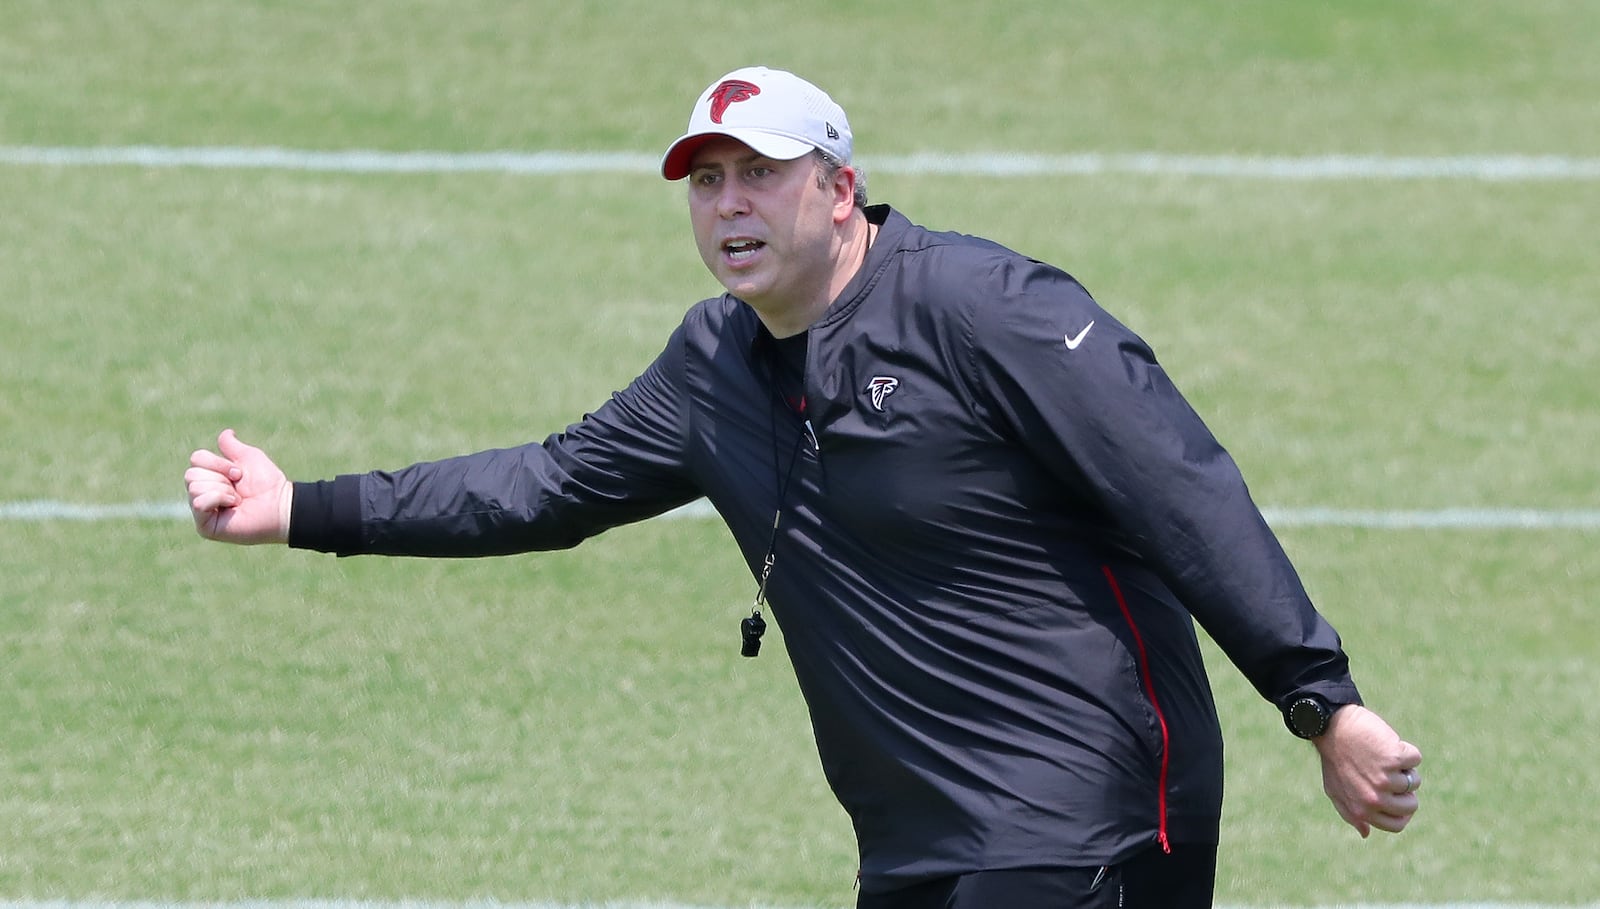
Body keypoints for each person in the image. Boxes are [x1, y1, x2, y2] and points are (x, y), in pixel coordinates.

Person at [185, 65, 1423, 908]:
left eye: (757, 176)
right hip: (913, 835)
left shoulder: (985, 312)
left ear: (837, 188)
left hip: (1082, 814)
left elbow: (1179, 488)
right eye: (705, 182)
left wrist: (1321, 702)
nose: (728, 206)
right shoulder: (709, 365)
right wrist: (302, 510)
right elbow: (541, 487)